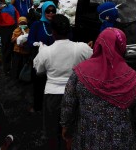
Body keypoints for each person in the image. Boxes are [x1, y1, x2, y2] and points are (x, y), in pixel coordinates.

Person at [60, 28, 136, 150]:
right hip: (121, 140)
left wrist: (66, 126)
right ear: (122, 46)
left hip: (87, 137)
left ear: (98, 44)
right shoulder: (132, 78)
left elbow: (68, 103)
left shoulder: (80, 72)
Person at [33, 14, 93, 150]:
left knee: (53, 130)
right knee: (74, 127)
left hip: (53, 95)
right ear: (69, 30)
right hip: (77, 93)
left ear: (52, 32)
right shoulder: (81, 48)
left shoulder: (45, 51)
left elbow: (38, 71)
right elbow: (93, 59)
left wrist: (41, 51)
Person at [27, 1, 57, 112]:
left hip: (54, 60)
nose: (51, 13)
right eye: (48, 11)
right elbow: (30, 41)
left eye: (53, 11)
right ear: (43, 12)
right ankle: (37, 106)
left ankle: (51, 107)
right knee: (38, 84)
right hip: (39, 60)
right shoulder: (37, 24)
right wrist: (36, 44)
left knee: (51, 84)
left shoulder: (56, 24)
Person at [0, 0, 20, 74]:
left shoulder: (12, 6)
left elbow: (17, 16)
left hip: (13, 28)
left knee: (14, 48)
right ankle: (7, 69)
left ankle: (15, 68)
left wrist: (19, 25)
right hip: (4, 30)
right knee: (6, 49)